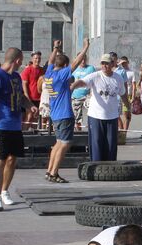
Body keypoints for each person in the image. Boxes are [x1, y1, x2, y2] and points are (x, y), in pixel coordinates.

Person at [0, 47, 35, 211]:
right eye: (21, 60)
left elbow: (21, 97)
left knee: (12, 159)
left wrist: (30, 106)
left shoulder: (15, 77)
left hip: (15, 126)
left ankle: (4, 191)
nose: (22, 63)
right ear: (17, 60)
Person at [44, 38, 90, 183]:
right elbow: (76, 63)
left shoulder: (49, 73)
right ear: (64, 65)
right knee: (64, 144)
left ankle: (49, 171)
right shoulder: (62, 74)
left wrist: (55, 48)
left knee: (58, 143)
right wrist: (86, 47)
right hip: (64, 114)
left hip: (55, 115)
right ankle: (54, 173)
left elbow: (51, 61)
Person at [71, 53, 129, 161]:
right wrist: (73, 86)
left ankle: (110, 167)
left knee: (111, 145)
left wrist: (128, 108)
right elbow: (82, 82)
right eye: (102, 63)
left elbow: (123, 94)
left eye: (107, 63)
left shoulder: (118, 78)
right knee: (96, 143)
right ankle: (95, 165)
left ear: (112, 64)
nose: (104, 66)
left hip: (112, 116)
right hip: (95, 116)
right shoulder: (95, 76)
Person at [71, 54, 96, 132]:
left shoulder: (91, 68)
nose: (83, 61)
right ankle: (79, 132)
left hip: (87, 96)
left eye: (85, 59)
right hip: (76, 96)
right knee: (77, 118)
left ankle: (92, 133)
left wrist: (92, 93)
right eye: (81, 59)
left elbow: (94, 81)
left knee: (92, 115)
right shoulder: (73, 69)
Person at [20, 50, 44, 129]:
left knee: (36, 117)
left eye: (39, 58)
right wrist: (27, 97)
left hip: (39, 98)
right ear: (32, 59)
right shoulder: (28, 70)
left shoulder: (42, 70)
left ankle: (33, 135)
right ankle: (24, 133)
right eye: (36, 58)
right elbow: (24, 84)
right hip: (30, 98)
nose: (37, 60)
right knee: (29, 116)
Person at [116, 56, 135, 134]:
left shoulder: (131, 72)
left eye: (125, 63)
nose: (124, 64)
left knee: (127, 116)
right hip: (118, 96)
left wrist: (133, 96)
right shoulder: (118, 71)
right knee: (117, 115)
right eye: (122, 63)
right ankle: (121, 130)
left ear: (128, 62)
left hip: (128, 95)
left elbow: (134, 85)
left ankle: (124, 133)